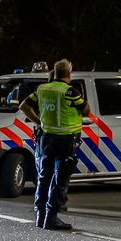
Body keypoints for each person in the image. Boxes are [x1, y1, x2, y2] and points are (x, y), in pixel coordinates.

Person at [20, 59, 90, 230]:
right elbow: (86, 110)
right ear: (69, 74)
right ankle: (52, 217)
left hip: (46, 139)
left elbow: (24, 106)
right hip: (65, 140)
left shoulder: (42, 89)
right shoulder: (69, 92)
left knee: (44, 177)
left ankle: (40, 216)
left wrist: (38, 122)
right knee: (60, 180)